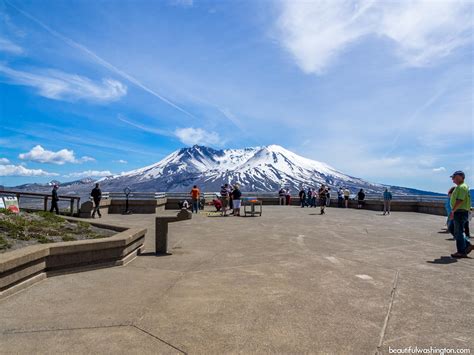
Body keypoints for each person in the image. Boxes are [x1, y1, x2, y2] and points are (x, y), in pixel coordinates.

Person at [448, 171, 472, 258]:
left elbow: (460, 200)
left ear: (460, 177)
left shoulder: (462, 187)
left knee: (459, 231)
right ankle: (467, 244)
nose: (453, 179)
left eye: (454, 177)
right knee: (452, 228)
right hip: (459, 211)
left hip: (460, 212)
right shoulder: (460, 187)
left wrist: (453, 210)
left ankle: (461, 251)